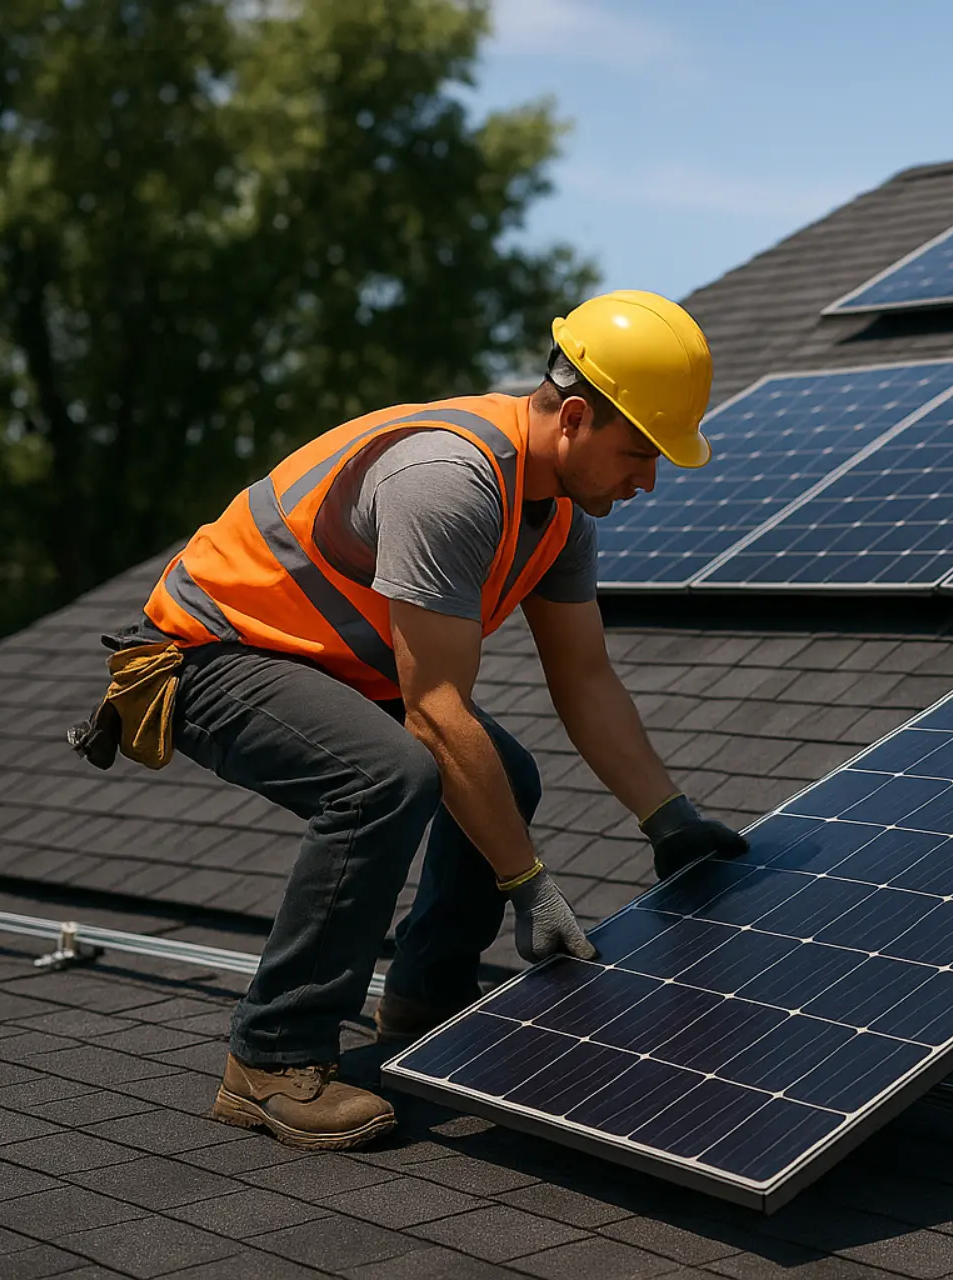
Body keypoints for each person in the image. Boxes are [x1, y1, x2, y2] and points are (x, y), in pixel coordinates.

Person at [73, 290, 749, 1150]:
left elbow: (585, 679)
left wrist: (670, 820)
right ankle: (272, 1055)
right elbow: (433, 711)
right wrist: (529, 885)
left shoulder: (561, 512)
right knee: (385, 779)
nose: (647, 478)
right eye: (639, 451)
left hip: (325, 659)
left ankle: (428, 994)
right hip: (208, 653)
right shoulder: (450, 482)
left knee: (506, 776)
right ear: (575, 417)